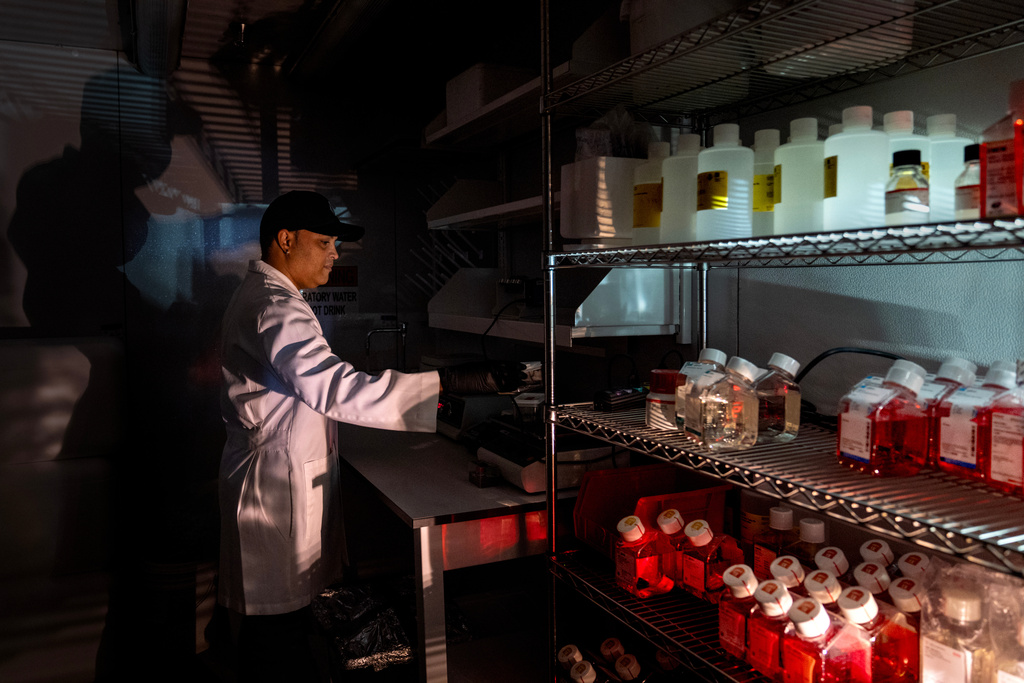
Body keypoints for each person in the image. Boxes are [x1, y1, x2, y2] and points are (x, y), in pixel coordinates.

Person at [217, 190, 501, 680]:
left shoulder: (275, 298)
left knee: (281, 632)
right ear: (286, 240)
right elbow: (335, 387)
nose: (335, 253)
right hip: (273, 494)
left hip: (276, 480)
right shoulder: (275, 308)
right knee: (274, 640)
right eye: (325, 242)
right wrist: (448, 382)